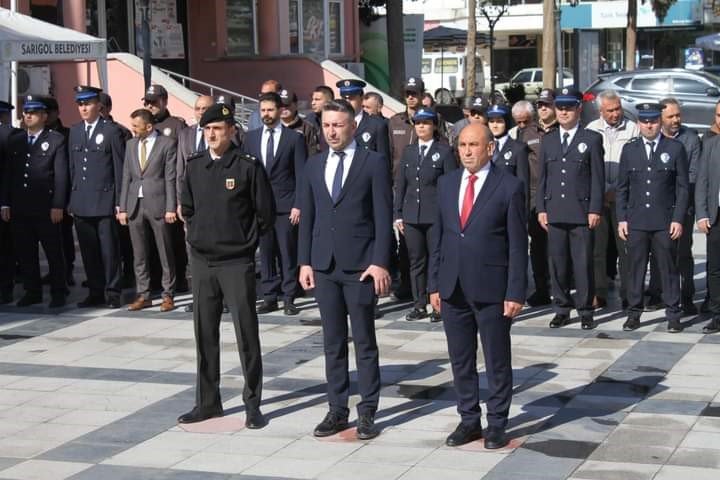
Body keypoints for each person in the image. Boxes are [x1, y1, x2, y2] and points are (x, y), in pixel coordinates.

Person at [428, 123, 527, 449]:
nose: (467, 151)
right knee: (461, 359)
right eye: (462, 145)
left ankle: (497, 422)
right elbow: (439, 237)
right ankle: (469, 419)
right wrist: (434, 284)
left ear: (490, 149)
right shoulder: (446, 183)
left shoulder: (509, 186)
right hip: (452, 286)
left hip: (492, 288)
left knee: (496, 359)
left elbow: (516, 244)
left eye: (474, 145)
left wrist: (515, 291)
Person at [298, 100, 392, 440]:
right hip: (324, 265)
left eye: (338, 125)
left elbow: (383, 216)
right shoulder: (313, 165)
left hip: (360, 267)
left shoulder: (373, 162)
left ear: (352, 126)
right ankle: (337, 409)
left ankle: (367, 410)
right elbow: (307, 217)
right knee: (332, 341)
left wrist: (380, 261)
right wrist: (304, 261)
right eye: (326, 125)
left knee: (364, 341)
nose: (332, 131)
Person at [178, 103, 274, 427]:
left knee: (246, 334)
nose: (212, 134)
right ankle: (208, 402)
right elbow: (187, 209)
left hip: (236, 262)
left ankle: (252, 404)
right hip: (203, 261)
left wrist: (246, 245)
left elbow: (264, 214)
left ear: (232, 130)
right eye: (207, 129)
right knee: (205, 336)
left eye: (218, 128)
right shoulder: (194, 166)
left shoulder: (247, 166)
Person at [536, 88, 605, 330]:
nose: (563, 112)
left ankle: (585, 310)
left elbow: (598, 177)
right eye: (560, 107)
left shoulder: (591, 139)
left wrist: (595, 208)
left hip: (581, 211)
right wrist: (541, 208)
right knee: (558, 263)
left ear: (578, 109)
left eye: (569, 107)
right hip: (555, 210)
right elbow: (542, 178)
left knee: (582, 263)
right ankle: (562, 308)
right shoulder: (549, 139)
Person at [616, 103, 688, 333]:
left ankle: (673, 314)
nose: (649, 125)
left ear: (660, 122)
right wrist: (622, 218)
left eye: (653, 121)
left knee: (668, 269)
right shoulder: (630, 150)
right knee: (635, 268)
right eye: (645, 121)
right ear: (639, 123)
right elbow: (622, 188)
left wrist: (678, 218)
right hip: (636, 221)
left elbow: (683, 188)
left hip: (664, 221)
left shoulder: (674, 149)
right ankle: (634, 313)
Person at [243, 92, 307, 316]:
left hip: (286, 205)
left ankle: (289, 296)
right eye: (263, 110)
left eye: (270, 110)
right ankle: (269, 296)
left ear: (280, 111)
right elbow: (246, 174)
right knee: (266, 252)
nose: (266, 114)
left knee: (287, 252)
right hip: (260, 206)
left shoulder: (294, 138)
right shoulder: (250, 138)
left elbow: (301, 175)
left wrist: (298, 204)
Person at [1, 96, 68, 308]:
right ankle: (33, 291)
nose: (28, 115)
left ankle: (58, 291)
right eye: (26, 112)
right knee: (26, 252)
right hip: (20, 206)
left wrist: (58, 205)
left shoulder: (56, 139)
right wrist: (5, 203)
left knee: (53, 252)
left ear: (44, 116)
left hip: (45, 207)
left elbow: (60, 176)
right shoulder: (16, 140)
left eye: (33, 112)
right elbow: (8, 174)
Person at [394, 107, 457, 322]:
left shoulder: (445, 151)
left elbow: (451, 185)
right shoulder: (409, 151)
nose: (421, 126)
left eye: (426, 123)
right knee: (416, 261)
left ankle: (438, 303)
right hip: (412, 216)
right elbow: (401, 184)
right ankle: (419, 304)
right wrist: (398, 214)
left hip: (435, 216)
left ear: (433, 126)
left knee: (437, 259)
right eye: (418, 123)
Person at [67, 86, 126, 308]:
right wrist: (70, 200)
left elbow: (119, 169)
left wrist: (120, 202)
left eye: (87, 103)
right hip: (81, 201)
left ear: (98, 105)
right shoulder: (75, 131)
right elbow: (73, 168)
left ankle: (112, 292)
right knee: (89, 251)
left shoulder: (111, 131)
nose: (83, 108)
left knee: (109, 251)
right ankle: (95, 291)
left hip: (104, 200)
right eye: (80, 104)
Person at [644, 98, 702, 314]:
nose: (676, 119)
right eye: (671, 116)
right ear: (660, 118)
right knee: (657, 251)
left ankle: (686, 297)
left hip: (681, 206)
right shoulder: (651, 138)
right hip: (656, 207)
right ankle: (657, 294)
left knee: (682, 253)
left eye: (678, 115)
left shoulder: (691, 139)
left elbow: (693, 175)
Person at [118, 109, 177, 312]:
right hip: (135, 204)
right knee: (139, 253)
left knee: (164, 251)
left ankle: (168, 294)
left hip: (158, 203)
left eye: (136, 126)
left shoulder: (166, 144)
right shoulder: (131, 145)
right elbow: (126, 176)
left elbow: (170, 178)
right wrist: (123, 207)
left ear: (149, 126)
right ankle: (143, 294)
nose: (133, 129)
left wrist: (171, 207)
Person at [586, 90, 639, 310]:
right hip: (598, 199)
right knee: (597, 249)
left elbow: (635, 165)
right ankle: (599, 292)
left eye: (618, 109)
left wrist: (616, 190)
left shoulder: (633, 129)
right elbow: (588, 167)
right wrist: (603, 191)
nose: (616, 114)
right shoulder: (591, 130)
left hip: (623, 199)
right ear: (601, 111)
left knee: (626, 249)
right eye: (610, 110)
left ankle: (629, 293)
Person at [511, 99, 552, 307]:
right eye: (517, 122)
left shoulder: (548, 133)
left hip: (549, 193)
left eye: (524, 121)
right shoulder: (520, 134)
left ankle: (555, 286)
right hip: (528, 194)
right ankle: (540, 287)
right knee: (534, 246)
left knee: (552, 245)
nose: (520, 126)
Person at [41, 95, 76, 288]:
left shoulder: (67, 134)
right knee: (48, 237)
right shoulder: (38, 135)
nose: (46, 116)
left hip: (62, 194)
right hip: (42, 195)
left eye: (49, 112)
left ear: (55, 112)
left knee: (64, 235)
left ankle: (67, 269)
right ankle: (55, 270)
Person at [695, 101, 720, 334]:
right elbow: (702, 181)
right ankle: (717, 314)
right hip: (716, 216)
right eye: (719, 115)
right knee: (714, 268)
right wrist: (701, 214)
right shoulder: (711, 144)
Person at [335, 79, 391, 169]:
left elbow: (383, 162)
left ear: (361, 98)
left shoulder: (376, 125)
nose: (347, 102)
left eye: (352, 98)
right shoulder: (335, 124)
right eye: (344, 98)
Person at [486, 104, 530, 201]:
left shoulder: (518, 148)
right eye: (491, 121)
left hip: (508, 203)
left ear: (507, 123)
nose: (495, 125)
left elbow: (523, 185)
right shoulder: (483, 147)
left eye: (499, 121)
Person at [0, 101, 20, 304]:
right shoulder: (12, 135)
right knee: (6, 249)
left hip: (4, 201)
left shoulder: (10, 136)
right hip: (6, 201)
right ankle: (5, 289)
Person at [279, 88, 320, 156]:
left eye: (287, 105)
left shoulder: (307, 128)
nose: (283, 108)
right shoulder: (272, 127)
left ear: (295, 105)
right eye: (280, 105)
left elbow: (313, 154)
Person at [306, 85, 334, 151]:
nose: (313, 103)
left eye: (317, 100)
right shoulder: (308, 120)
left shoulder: (338, 119)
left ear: (329, 101)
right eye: (312, 99)